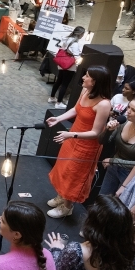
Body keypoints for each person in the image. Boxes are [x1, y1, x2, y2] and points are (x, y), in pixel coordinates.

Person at [47, 66, 112, 218]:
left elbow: (96, 133)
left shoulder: (104, 104)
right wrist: (59, 118)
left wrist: (71, 135)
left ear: (95, 82)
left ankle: (67, 207)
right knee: (64, 169)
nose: (83, 77)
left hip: (87, 144)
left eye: (87, 76)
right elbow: (76, 110)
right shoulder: (85, 91)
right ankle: (62, 196)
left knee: (74, 175)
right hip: (72, 138)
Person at [98, 96, 135, 196]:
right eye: (128, 107)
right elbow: (101, 141)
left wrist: (113, 161)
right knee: (102, 198)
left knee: (118, 205)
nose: (127, 111)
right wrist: (108, 131)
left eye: (133, 110)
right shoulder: (125, 121)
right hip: (113, 167)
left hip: (129, 175)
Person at [48, 26, 85, 109]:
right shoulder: (75, 44)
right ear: (80, 34)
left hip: (62, 63)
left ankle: (52, 97)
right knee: (65, 84)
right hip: (69, 67)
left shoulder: (67, 39)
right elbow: (76, 58)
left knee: (59, 81)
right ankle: (59, 102)